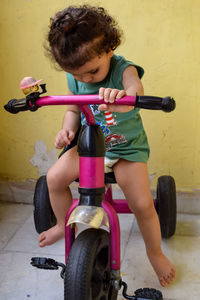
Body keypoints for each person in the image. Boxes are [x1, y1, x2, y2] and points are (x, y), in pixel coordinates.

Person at [39, 5, 175, 287]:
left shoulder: (123, 69)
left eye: (91, 71)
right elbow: (73, 110)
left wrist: (122, 97)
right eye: (77, 75)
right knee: (54, 178)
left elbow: (136, 91)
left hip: (126, 150)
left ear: (109, 50)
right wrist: (67, 130)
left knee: (141, 204)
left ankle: (155, 253)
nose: (85, 80)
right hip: (91, 148)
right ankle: (63, 225)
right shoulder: (76, 77)